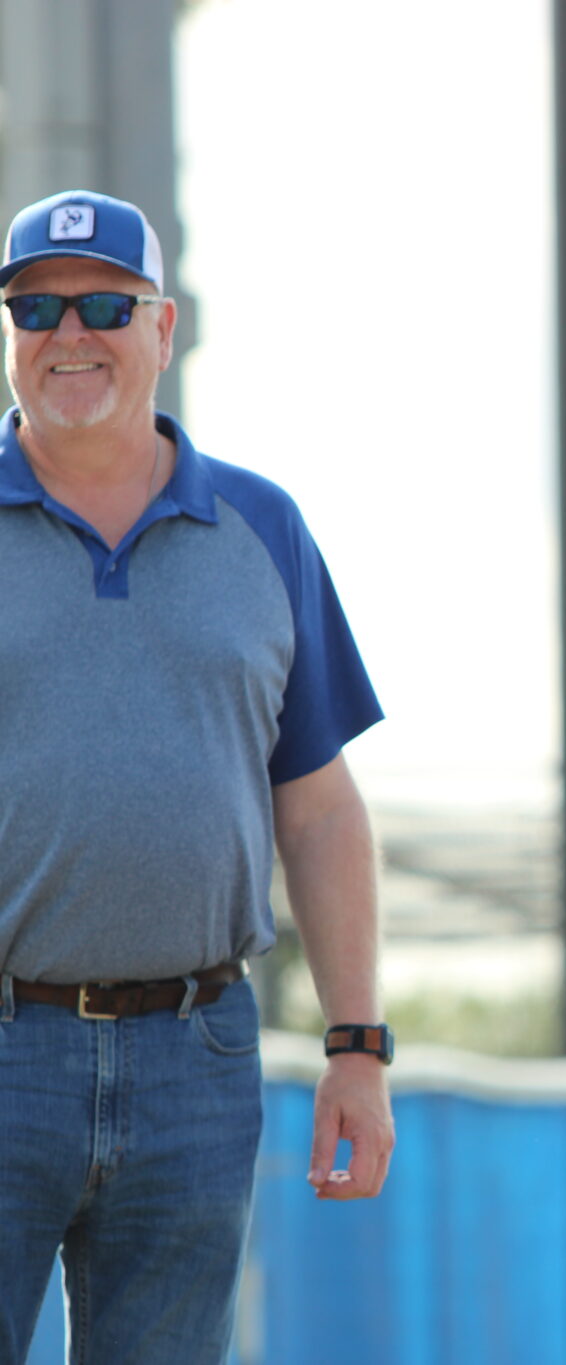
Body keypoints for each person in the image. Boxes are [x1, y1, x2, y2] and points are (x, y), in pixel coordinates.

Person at [0, 190, 391, 1363]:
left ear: (163, 327)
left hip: (197, 1059)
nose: (70, 334)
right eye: (36, 310)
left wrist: (357, 1048)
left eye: (105, 306)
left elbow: (318, 810)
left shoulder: (263, 528)